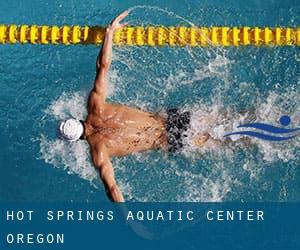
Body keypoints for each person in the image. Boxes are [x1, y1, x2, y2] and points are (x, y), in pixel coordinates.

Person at [58, 11, 210, 202]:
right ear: (76, 119)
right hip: (172, 118)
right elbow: (103, 66)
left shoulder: (99, 152)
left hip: (171, 140)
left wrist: (131, 223)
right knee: (226, 118)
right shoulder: (95, 105)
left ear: (76, 140)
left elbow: (112, 189)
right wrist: (109, 33)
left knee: (228, 141)